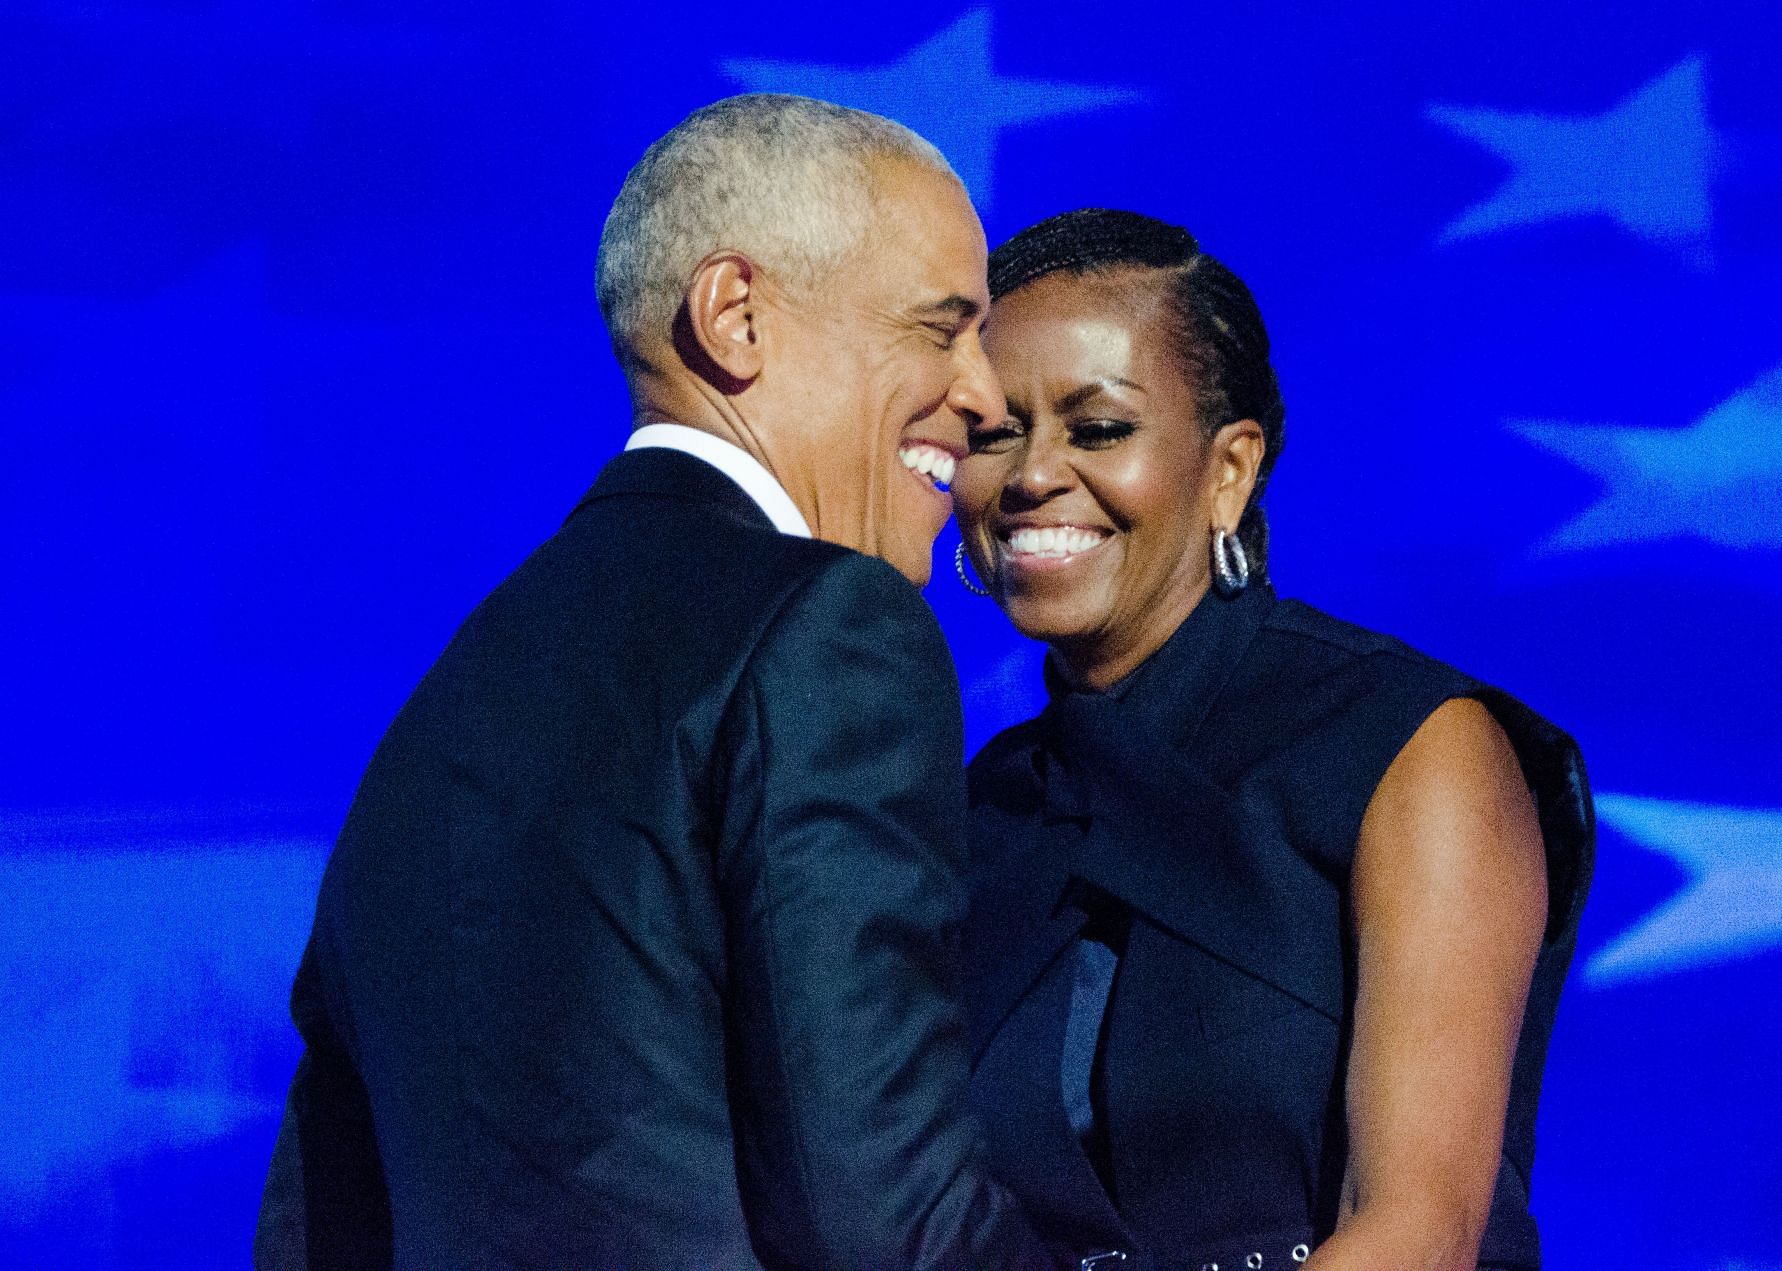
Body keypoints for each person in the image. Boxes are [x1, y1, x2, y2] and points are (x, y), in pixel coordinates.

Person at [256, 94, 1059, 1269]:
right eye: (944, 329)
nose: (985, 396)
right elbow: (882, 1220)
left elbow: (316, 1222)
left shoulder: (442, 707)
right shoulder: (828, 629)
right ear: (736, 317)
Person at [951, 209, 1595, 1270]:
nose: (1031, 475)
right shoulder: (985, 807)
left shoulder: (1413, 746)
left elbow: (1417, 1231)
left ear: (1228, 470)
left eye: (1098, 427)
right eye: (993, 431)